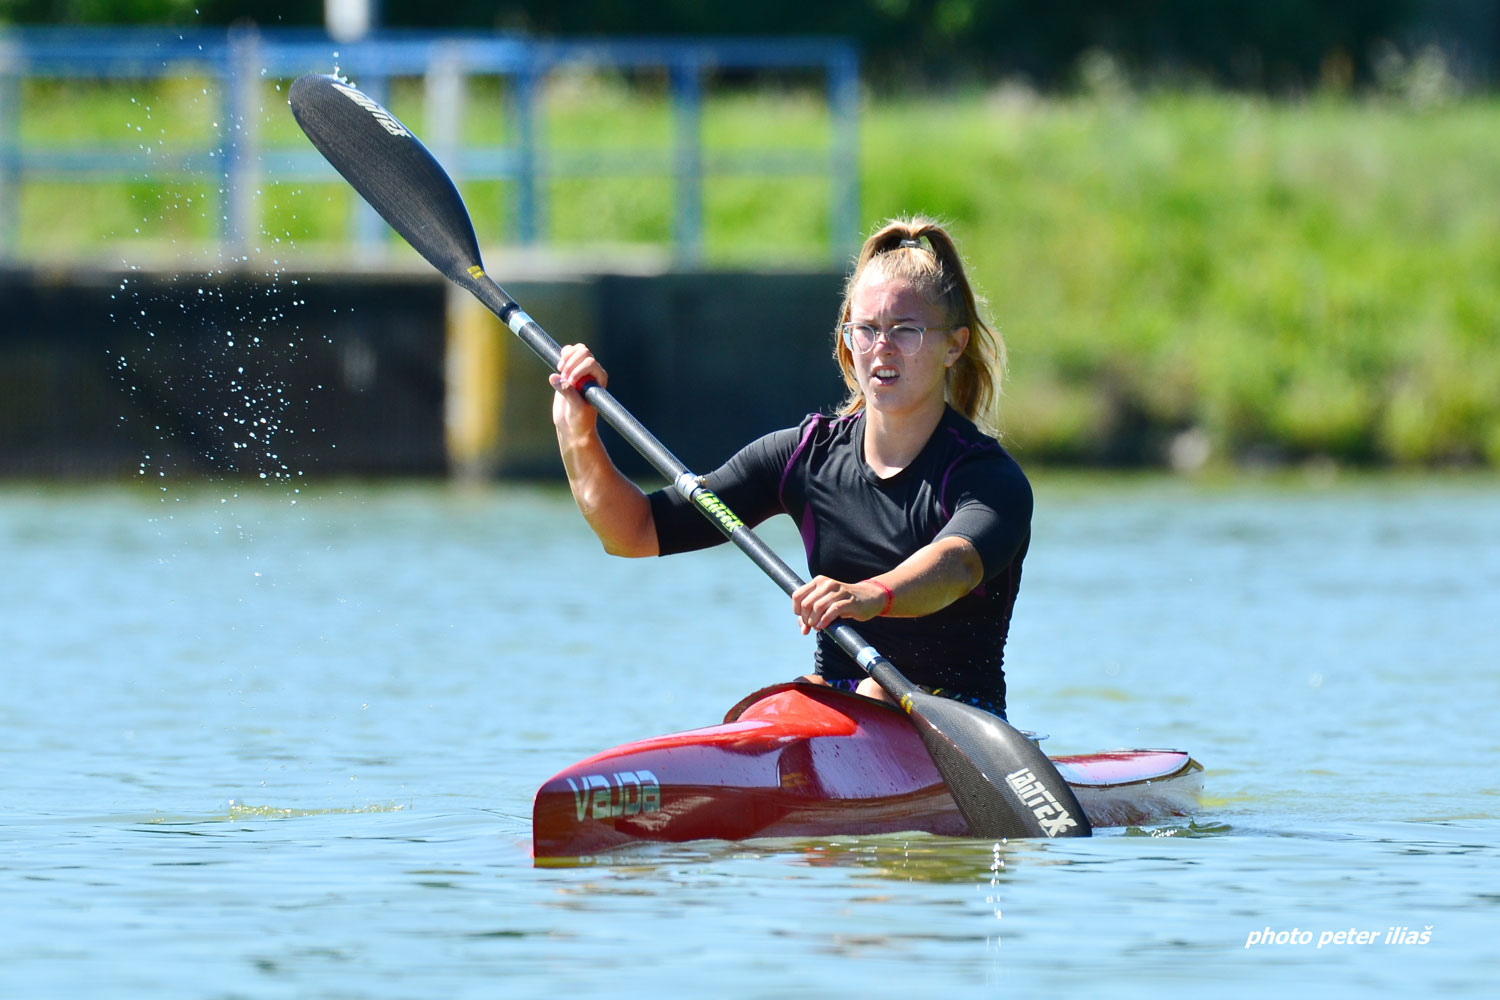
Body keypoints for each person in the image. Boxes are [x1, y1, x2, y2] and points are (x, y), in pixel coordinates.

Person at [548, 217, 1030, 719]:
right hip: (837, 708)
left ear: (953, 345)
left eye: (905, 330)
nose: (882, 347)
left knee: (875, 695)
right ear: (847, 340)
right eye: (865, 330)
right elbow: (634, 532)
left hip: (955, 716)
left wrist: (868, 595)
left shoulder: (989, 479)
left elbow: (956, 566)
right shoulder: (803, 457)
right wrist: (577, 433)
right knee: (768, 708)